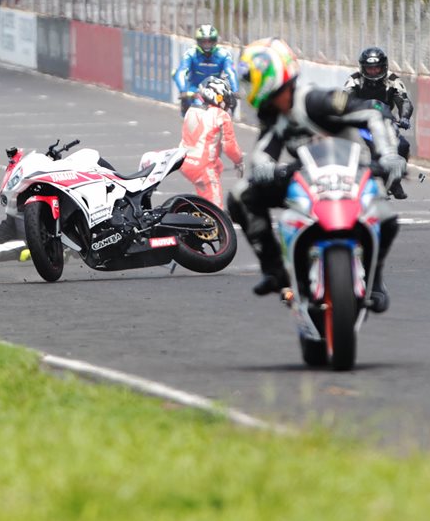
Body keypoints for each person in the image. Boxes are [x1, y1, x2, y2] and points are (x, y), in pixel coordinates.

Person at [226, 38, 404, 311]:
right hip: (307, 178)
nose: (248, 87)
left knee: (388, 220)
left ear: (270, 74)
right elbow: (264, 150)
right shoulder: (273, 114)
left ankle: (374, 279)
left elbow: (373, 112)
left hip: (353, 174)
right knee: (240, 195)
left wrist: (388, 154)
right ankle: (275, 272)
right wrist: (264, 169)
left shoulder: (313, 100)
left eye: (250, 79)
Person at [343, 46, 413, 198]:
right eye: (370, 68)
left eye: (377, 68)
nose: (373, 72)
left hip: (386, 121)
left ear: (384, 67)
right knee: (349, 146)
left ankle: (395, 180)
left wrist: (405, 117)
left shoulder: (393, 80)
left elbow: (404, 101)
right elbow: (345, 100)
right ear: (363, 68)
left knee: (403, 145)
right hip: (361, 122)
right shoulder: (354, 80)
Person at [180, 76, 244, 205]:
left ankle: (200, 210)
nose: (226, 105)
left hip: (184, 161)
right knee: (215, 208)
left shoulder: (192, 110)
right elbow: (230, 147)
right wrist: (239, 161)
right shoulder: (221, 115)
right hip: (203, 167)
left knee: (218, 166)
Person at [173, 24, 238, 116]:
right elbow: (182, 71)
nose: (207, 45)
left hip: (216, 91)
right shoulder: (190, 54)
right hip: (195, 90)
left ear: (215, 41)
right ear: (198, 42)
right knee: (189, 104)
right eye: (204, 42)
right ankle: (189, 120)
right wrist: (183, 90)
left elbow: (230, 72)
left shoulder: (224, 55)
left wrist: (235, 90)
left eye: (210, 41)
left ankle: (226, 123)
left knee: (231, 104)